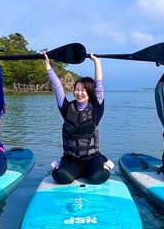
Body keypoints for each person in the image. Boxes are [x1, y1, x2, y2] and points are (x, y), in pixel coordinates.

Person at [43, 52, 113, 185]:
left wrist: (97, 62)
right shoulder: (67, 108)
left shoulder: (96, 109)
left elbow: (99, 85)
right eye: (76, 89)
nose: (79, 93)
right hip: (71, 158)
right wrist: (47, 65)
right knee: (60, 177)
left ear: (89, 92)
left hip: (92, 158)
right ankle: (62, 166)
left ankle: (106, 165)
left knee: (97, 178)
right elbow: (58, 87)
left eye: (83, 90)